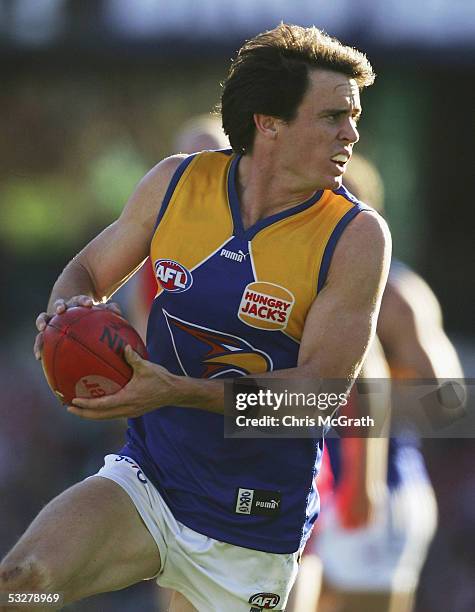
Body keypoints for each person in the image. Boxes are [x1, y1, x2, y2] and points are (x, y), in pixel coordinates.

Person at [0, 25, 390, 612]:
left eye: (354, 116)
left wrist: (178, 391)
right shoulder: (177, 182)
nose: (351, 133)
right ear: (269, 122)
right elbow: (84, 273)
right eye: (333, 116)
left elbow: (319, 395)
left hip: (251, 523)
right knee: (26, 585)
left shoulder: (356, 236)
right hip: (149, 480)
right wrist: (64, 320)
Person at [290, 154, 463, 612]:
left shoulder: (398, 296)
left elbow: (446, 399)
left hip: (377, 495)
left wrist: (368, 383)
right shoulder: (296, 283)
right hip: (310, 490)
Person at [128, 114, 229, 341]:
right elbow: (143, 322)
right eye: (191, 163)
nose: (202, 175)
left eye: (214, 162)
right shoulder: (155, 241)